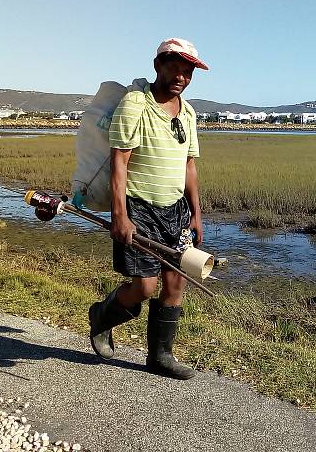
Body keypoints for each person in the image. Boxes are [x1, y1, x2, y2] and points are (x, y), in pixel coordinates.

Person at [88, 38, 209, 380]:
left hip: (176, 211)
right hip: (138, 207)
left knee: (176, 282)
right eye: (175, 67)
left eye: (188, 71)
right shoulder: (135, 104)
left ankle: (160, 356)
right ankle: (102, 316)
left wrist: (196, 214)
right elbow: (119, 164)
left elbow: (189, 166)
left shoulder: (187, 112)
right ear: (158, 65)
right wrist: (119, 215)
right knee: (143, 287)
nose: (181, 76)